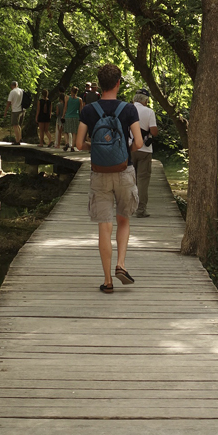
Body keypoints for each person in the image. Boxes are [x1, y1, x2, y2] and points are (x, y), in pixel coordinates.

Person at [76, 63, 143, 294]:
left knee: (104, 227)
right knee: (123, 220)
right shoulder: (129, 109)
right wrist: (123, 150)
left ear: (98, 85)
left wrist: (96, 148)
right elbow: (140, 143)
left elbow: (78, 144)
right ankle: (121, 265)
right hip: (125, 171)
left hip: (99, 174)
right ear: (118, 83)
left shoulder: (88, 110)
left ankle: (107, 281)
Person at [131, 89, 158, 217]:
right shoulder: (149, 112)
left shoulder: (126, 109)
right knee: (142, 180)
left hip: (128, 148)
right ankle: (140, 210)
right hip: (144, 150)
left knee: (127, 179)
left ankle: (125, 207)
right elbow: (153, 131)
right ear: (145, 100)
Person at [62, 85, 82, 152]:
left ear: (71, 91)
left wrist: (63, 115)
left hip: (68, 116)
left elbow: (65, 107)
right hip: (76, 117)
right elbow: (80, 110)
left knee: (66, 131)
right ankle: (72, 146)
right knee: (74, 133)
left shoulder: (67, 98)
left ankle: (67, 143)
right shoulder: (79, 100)